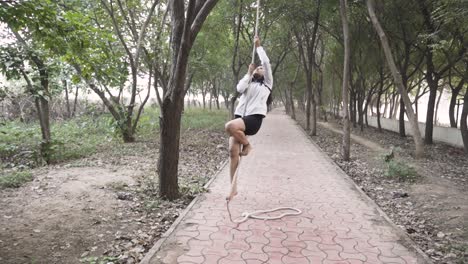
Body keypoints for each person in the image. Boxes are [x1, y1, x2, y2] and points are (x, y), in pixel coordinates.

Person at [224, 36, 273, 199]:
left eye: (260, 68)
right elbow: (239, 88)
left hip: (253, 120)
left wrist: (259, 47)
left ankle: (248, 145)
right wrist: (248, 73)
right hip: (240, 117)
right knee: (232, 152)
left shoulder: (267, 84)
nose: (259, 68)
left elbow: (266, 62)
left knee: (229, 127)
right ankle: (233, 188)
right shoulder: (248, 83)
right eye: (257, 68)